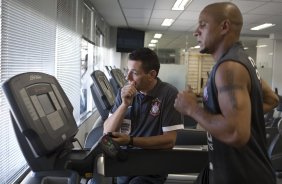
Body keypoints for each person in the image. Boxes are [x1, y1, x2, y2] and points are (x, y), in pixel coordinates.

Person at [174, 2, 279, 184]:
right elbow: (272, 99)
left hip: (243, 177)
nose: (196, 31)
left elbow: (235, 133)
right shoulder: (243, 60)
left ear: (224, 27)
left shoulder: (229, 68)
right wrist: (242, 116)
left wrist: (192, 109)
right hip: (229, 170)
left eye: (203, 24)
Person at [103, 47, 183, 184]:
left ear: (151, 75)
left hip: (150, 168)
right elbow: (107, 133)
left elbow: (170, 140)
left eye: (134, 73)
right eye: (127, 71)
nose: (128, 78)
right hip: (123, 164)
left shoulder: (168, 93)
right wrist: (124, 105)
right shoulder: (124, 92)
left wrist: (130, 140)